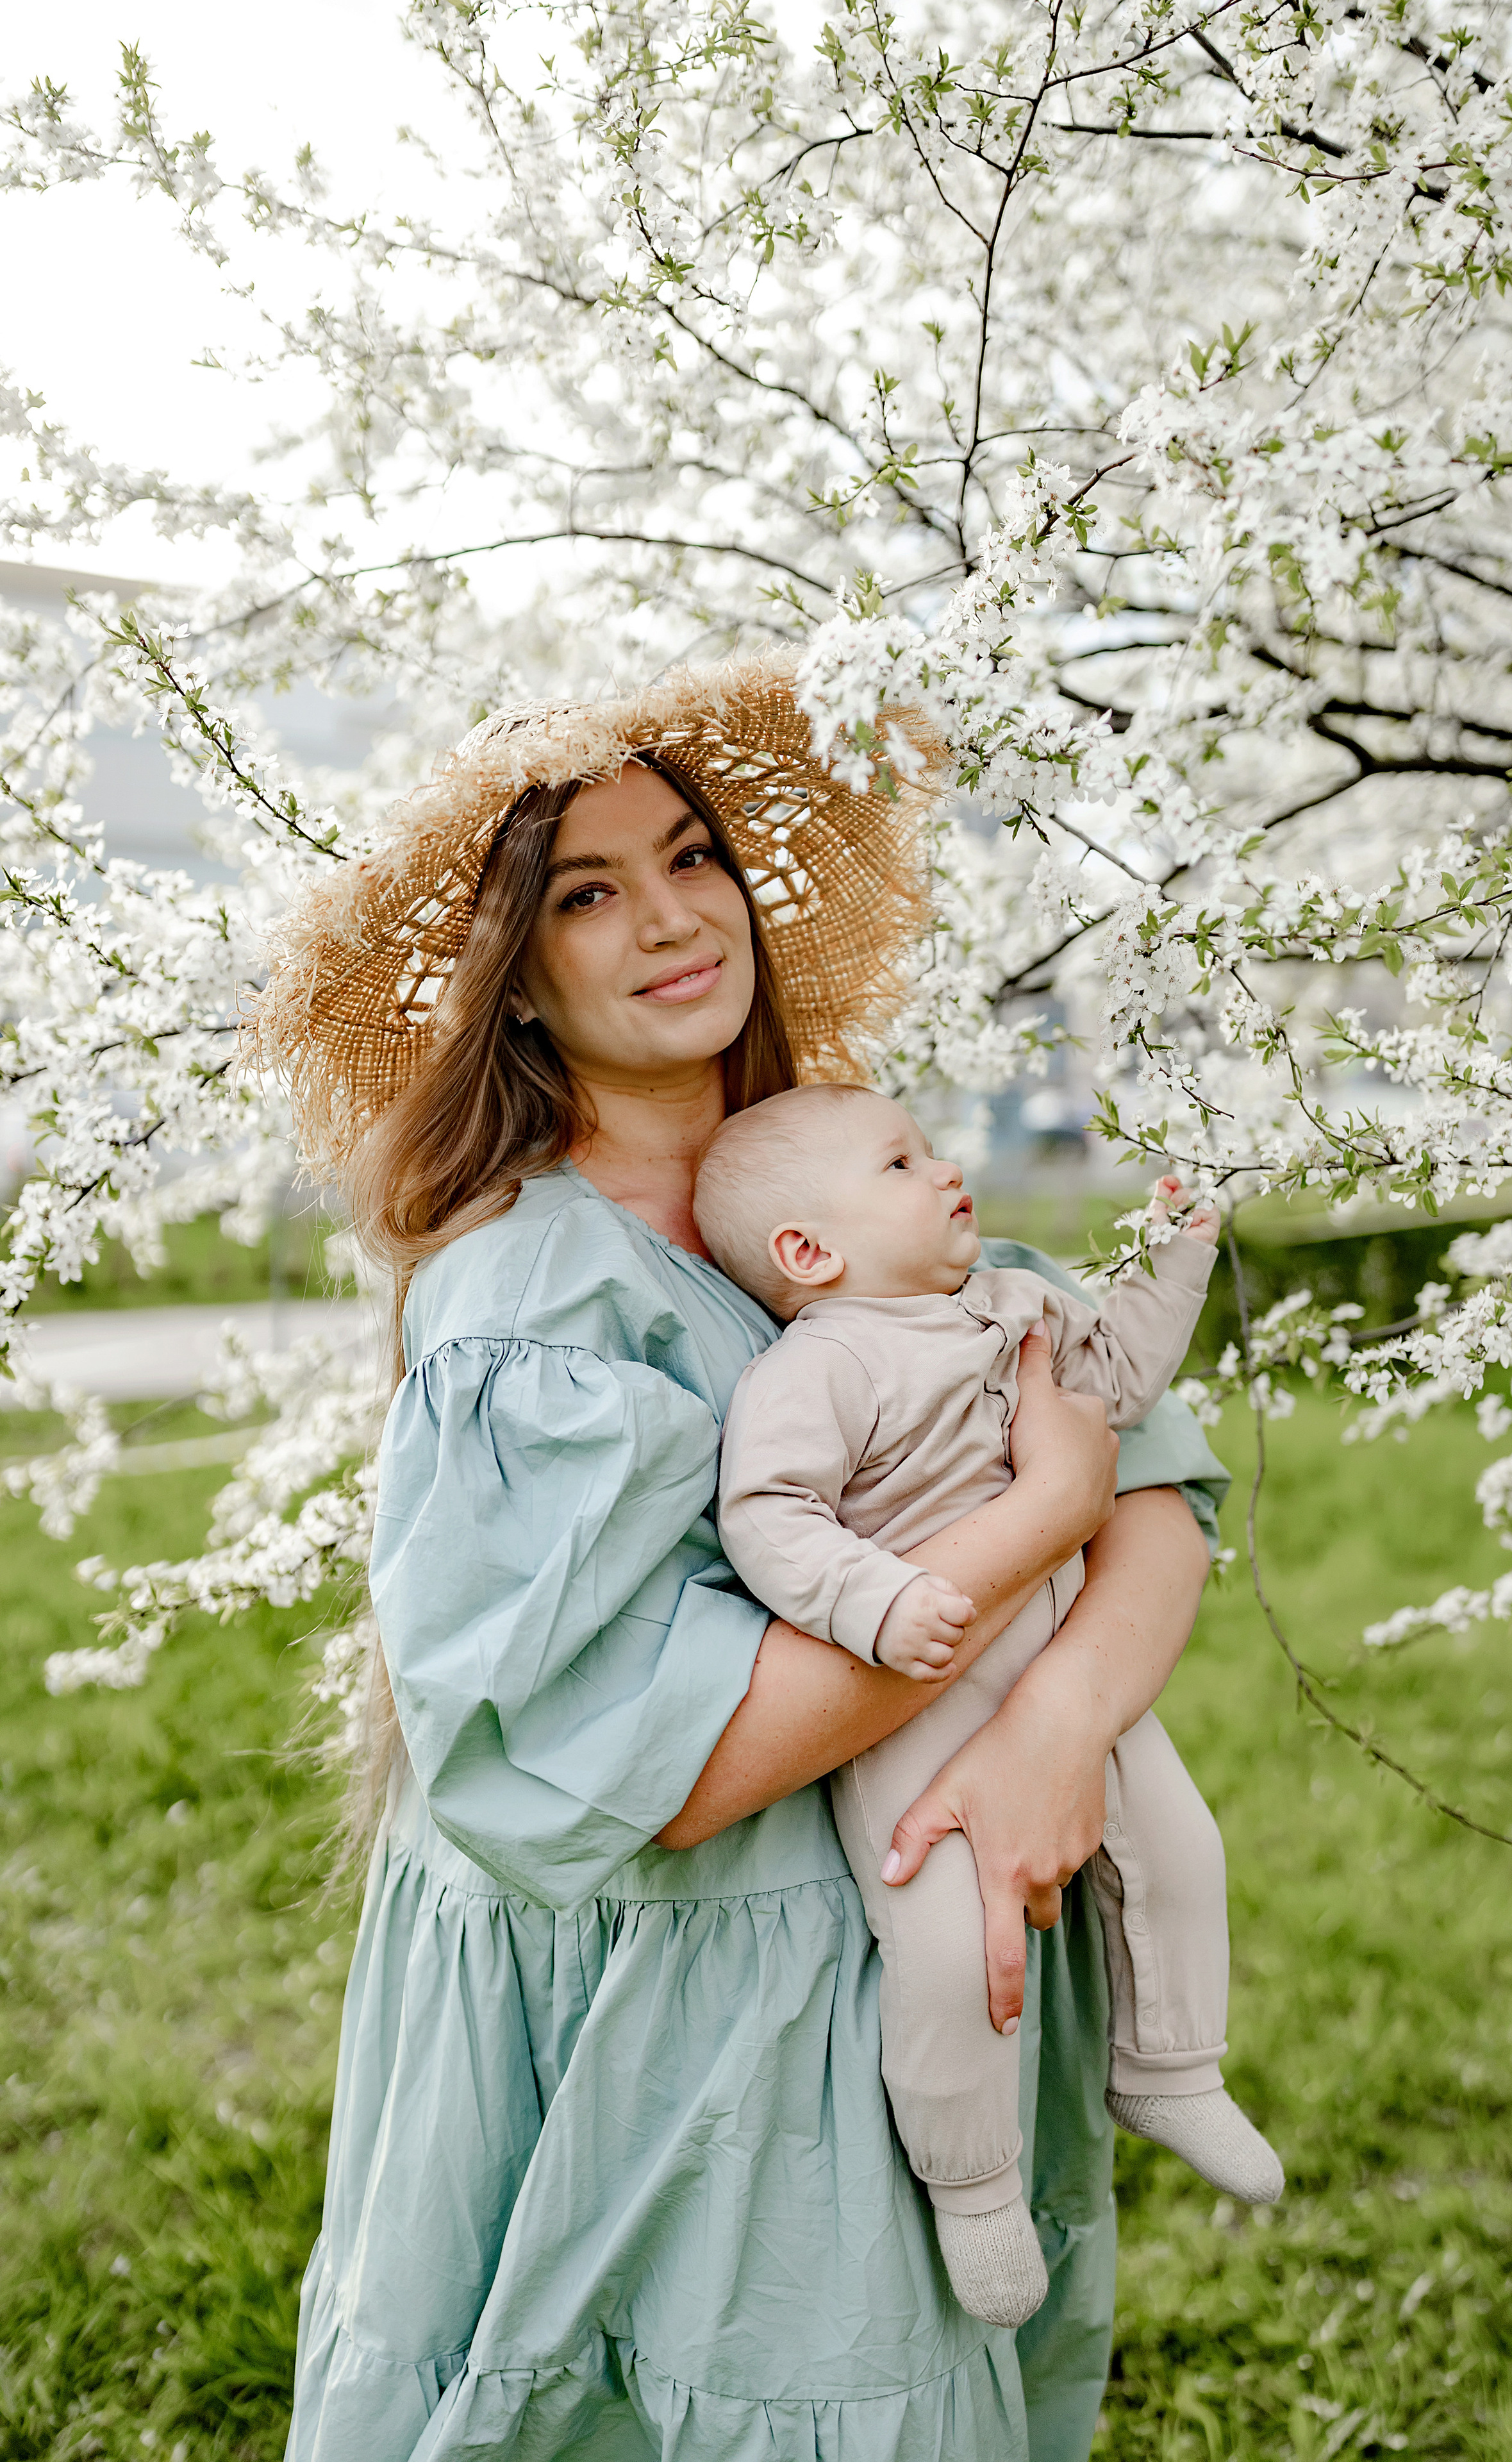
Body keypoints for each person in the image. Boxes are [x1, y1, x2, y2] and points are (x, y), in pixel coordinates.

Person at [256, 653, 1229, 2462]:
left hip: (890, 1914)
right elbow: (677, 1764)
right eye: (587, 893)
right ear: (518, 982)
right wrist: (1037, 1521)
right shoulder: (533, 1297)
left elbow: (1147, 1477)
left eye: (693, 858)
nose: (669, 919)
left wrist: (1054, 1731)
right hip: (677, 2009)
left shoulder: (830, 1172)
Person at [696, 1083, 1281, 2329]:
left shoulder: (1010, 1304)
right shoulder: (819, 1367)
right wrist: (870, 1602)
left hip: (1057, 1653)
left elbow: (1115, 1385)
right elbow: (767, 1515)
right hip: (912, 1699)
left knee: (1179, 1850)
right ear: (811, 1252)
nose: (945, 1167)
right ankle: (972, 2192)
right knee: (947, 1951)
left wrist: (1175, 1258)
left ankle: (1170, 2066)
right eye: (900, 1163)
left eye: (930, 1148)